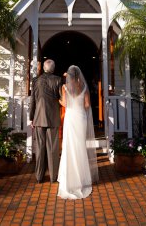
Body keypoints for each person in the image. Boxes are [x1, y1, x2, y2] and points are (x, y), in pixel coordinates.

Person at [57, 65, 99, 199]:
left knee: (69, 147)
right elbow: (87, 105)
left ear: (69, 76)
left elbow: (65, 103)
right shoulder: (84, 87)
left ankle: (69, 180)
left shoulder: (65, 88)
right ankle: (82, 179)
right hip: (81, 118)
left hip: (70, 118)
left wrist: (58, 100)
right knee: (80, 147)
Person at [30, 59, 62, 183]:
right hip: (53, 117)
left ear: (44, 68)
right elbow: (61, 98)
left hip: (38, 118)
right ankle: (54, 177)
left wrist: (32, 117)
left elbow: (33, 100)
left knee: (40, 148)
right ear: (53, 68)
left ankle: (39, 177)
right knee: (53, 148)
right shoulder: (58, 80)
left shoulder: (35, 81)